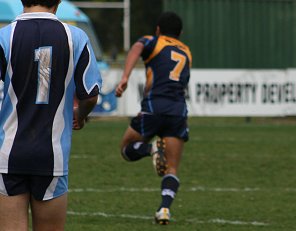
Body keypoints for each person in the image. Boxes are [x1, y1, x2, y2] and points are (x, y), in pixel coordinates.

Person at [0, 0, 102, 230]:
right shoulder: (75, 37)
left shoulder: (4, 37)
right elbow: (90, 95)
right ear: (57, 1)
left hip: (8, 154)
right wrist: (81, 114)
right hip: (52, 154)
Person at [115, 11, 192, 225]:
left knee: (126, 148)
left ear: (157, 29)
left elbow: (137, 48)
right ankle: (164, 208)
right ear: (181, 33)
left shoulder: (153, 41)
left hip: (154, 107)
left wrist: (125, 77)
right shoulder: (186, 51)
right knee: (172, 167)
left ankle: (150, 149)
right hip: (177, 111)